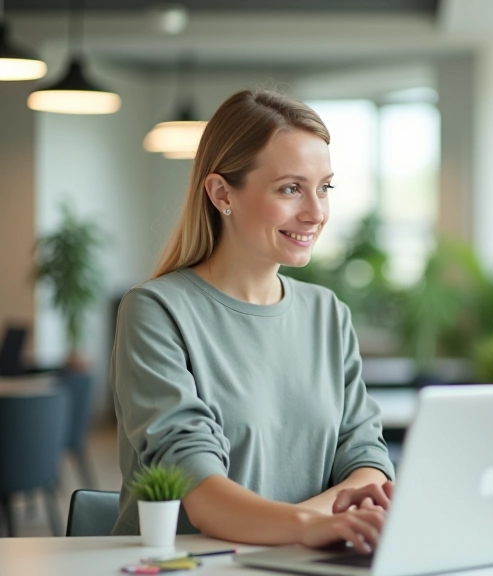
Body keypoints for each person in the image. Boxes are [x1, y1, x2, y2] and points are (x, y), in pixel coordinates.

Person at [111, 89, 394, 551]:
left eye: (324, 187)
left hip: (305, 561)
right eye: (290, 188)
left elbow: (366, 461)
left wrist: (317, 526)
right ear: (222, 193)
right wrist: (316, 524)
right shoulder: (156, 311)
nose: (316, 212)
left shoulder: (327, 314)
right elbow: (201, 494)